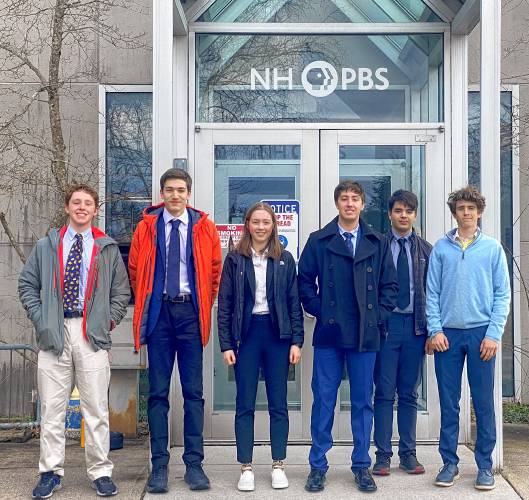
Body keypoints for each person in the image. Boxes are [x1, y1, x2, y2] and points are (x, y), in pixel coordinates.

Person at [19, 184, 130, 499]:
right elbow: (27, 284)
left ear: (95, 210)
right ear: (67, 207)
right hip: (54, 333)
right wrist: (42, 321)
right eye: (76, 202)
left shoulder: (105, 247)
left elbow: (121, 292)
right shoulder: (46, 246)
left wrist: (106, 322)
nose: (82, 207)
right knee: (52, 409)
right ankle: (50, 472)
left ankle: (100, 472)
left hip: (91, 334)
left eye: (88, 203)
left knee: (95, 408)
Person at [298, 180, 397, 493]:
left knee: (361, 403)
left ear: (363, 204)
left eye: (355, 199)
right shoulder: (318, 240)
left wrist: (376, 317)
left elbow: (390, 288)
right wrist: (321, 309)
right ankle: (318, 466)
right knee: (324, 401)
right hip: (329, 334)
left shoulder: (377, 242)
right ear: (337, 203)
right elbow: (303, 282)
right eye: (344, 199)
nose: (350, 204)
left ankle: (361, 466)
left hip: (365, 336)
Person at [128, 168, 221, 493]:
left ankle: (194, 465)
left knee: (193, 393)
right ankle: (159, 467)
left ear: (188, 193)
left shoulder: (204, 228)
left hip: (190, 315)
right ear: (162, 193)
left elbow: (213, 270)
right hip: (159, 315)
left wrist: (202, 303)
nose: (175, 195)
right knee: (157, 394)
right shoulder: (146, 227)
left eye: (181, 190)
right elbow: (136, 268)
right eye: (169, 190)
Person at [426, 186, 510, 491]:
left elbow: (503, 294)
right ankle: (449, 463)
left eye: (471, 208)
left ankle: (485, 466)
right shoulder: (441, 248)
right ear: (454, 212)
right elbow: (431, 293)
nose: (466, 213)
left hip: (481, 336)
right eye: (461, 208)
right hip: (447, 335)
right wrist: (435, 330)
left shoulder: (492, 249)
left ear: (479, 212)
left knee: (484, 403)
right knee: (449, 403)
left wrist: (493, 334)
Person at [217, 202, 304, 492]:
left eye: (266, 222)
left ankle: (278, 464)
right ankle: (246, 466)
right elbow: (225, 305)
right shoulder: (234, 260)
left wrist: (297, 340)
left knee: (279, 403)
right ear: (247, 224)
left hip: (277, 336)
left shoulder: (285, 259)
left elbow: (294, 302)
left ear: (273, 225)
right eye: (256, 222)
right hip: (247, 336)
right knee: (245, 403)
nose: (261, 227)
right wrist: (226, 344)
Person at [373, 190, 432, 476]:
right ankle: (382, 455)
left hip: (415, 327)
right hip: (386, 327)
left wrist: (432, 331)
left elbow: (433, 293)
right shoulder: (378, 246)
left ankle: (408, 454)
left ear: (415, 215)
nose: (403, 215)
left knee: (409, 393)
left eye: (408, 211)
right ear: (390, 214)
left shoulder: (425, 249)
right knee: (384, 392)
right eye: (398, 210)